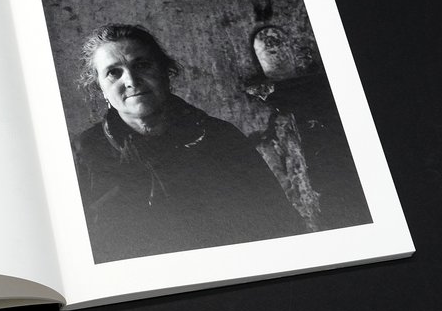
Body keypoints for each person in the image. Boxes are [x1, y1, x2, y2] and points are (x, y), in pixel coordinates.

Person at [71, 24, 304, 263]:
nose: (131, 80)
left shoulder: (221, 138)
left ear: (165, 72)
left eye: (142, 65)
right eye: (113, 72)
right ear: (100, 88)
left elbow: (283, 224)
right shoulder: (84, 154)